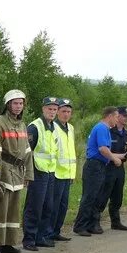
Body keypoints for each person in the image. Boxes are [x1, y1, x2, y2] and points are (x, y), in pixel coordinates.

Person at [0, 90, 33, 253]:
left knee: (13, 209)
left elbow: (27, 151)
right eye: (15, 103)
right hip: (4, 169)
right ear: (8, 104)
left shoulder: (22, 124)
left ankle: (8, 243)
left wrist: (28, 174)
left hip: (18, 172)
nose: (18, 107)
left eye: (21, 103)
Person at [72, 107, 125, 236]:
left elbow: (106, 151)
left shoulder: (105, 129)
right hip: (94, 166)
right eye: (116, 116)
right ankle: (80, 226)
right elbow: (102, 149)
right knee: (89, 197)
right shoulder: (102, 128)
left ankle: (90, 224)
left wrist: (123, 155)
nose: (117, 119)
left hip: (100, 165)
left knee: (96, 196)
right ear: (110, 116)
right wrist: (114, 159)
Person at [22, 97, 59, 251]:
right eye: (49, 109)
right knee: (34, 207)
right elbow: (27, 151)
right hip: (37, 171)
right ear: (43, 109)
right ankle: (29, 239)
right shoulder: (35, 127)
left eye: (54, 109)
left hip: (50, 171)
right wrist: (27, 174)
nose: (52, 112)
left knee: (47, 206)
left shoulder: (53, 127)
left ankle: (40, 237)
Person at [95, 106, 127, 230]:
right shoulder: (109, 130)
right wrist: (118, 157)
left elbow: (123, 150)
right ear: (118, 116)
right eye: (124, 116)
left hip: (120, 166)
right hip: (108, 166)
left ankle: (115, 222)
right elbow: (105, 150)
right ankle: (95, 221)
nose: (126, 118)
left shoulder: (126, 133)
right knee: (104, 194)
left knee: (118, 196)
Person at [50, 98, 77, 241]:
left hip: (67, 173)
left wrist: (73, 173)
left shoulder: (70, 128)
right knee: (53, 205)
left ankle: (56, 231)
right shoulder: (53, 127)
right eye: (63, 111)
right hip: (56, 173)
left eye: (68, 112)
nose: (66, 114)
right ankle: (49, 232)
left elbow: (70, 151)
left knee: (63, 205)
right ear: (58, 112)